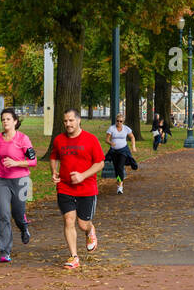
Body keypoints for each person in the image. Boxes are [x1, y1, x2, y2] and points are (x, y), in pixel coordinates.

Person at [50, 109, 104, 269]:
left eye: (71, 120)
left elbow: (100, 163)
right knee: (68, 220)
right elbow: (54, 157)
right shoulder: (59, 140)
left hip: (87, 188)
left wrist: (83, 175)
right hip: (65, 187)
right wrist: (54, 171)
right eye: (65, 121)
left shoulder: (91, 139)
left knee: (82, 224)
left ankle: (90, 229)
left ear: (79, 120)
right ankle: (74, 257)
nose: (68, 124)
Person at [0, 107, 35, 263]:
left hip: (21, 180)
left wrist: (16, 163)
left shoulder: (23, 139)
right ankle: (5, 251)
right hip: (2, 181)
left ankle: (23, 227)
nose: (5, 121)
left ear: (15, 121)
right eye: (3, 119)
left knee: (18, 214)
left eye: (8, 119)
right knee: (4, 214)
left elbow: (33, 162)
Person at [105, 112, 138, 194]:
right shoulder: (111, 128)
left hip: (123, 150)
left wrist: (133, 147)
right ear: (115, 121)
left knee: (120, 167)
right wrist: (110, 143)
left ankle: (120, 186)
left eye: (121, 121)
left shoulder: (126, 129)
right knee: (117, 169)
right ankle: (119, 181)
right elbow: (107, 140)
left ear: (123, 121)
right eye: (117, 121)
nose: (119, 123)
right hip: (114, 151)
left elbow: (132, 137)